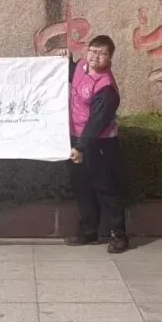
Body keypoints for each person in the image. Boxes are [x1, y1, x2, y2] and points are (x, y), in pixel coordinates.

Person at [56, 36, 128, 253]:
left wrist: (80, 147)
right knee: (82, 186)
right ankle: (89, 231)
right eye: (93, 51)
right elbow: (71, 75)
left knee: (105, 188)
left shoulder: (106, 88)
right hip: (76, 138)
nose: (96, 56)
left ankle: (119, 235)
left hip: (100, 143)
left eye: (102, 53)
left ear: (110, 58)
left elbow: (97, 122)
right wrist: (67, 61)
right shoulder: (81, 66)